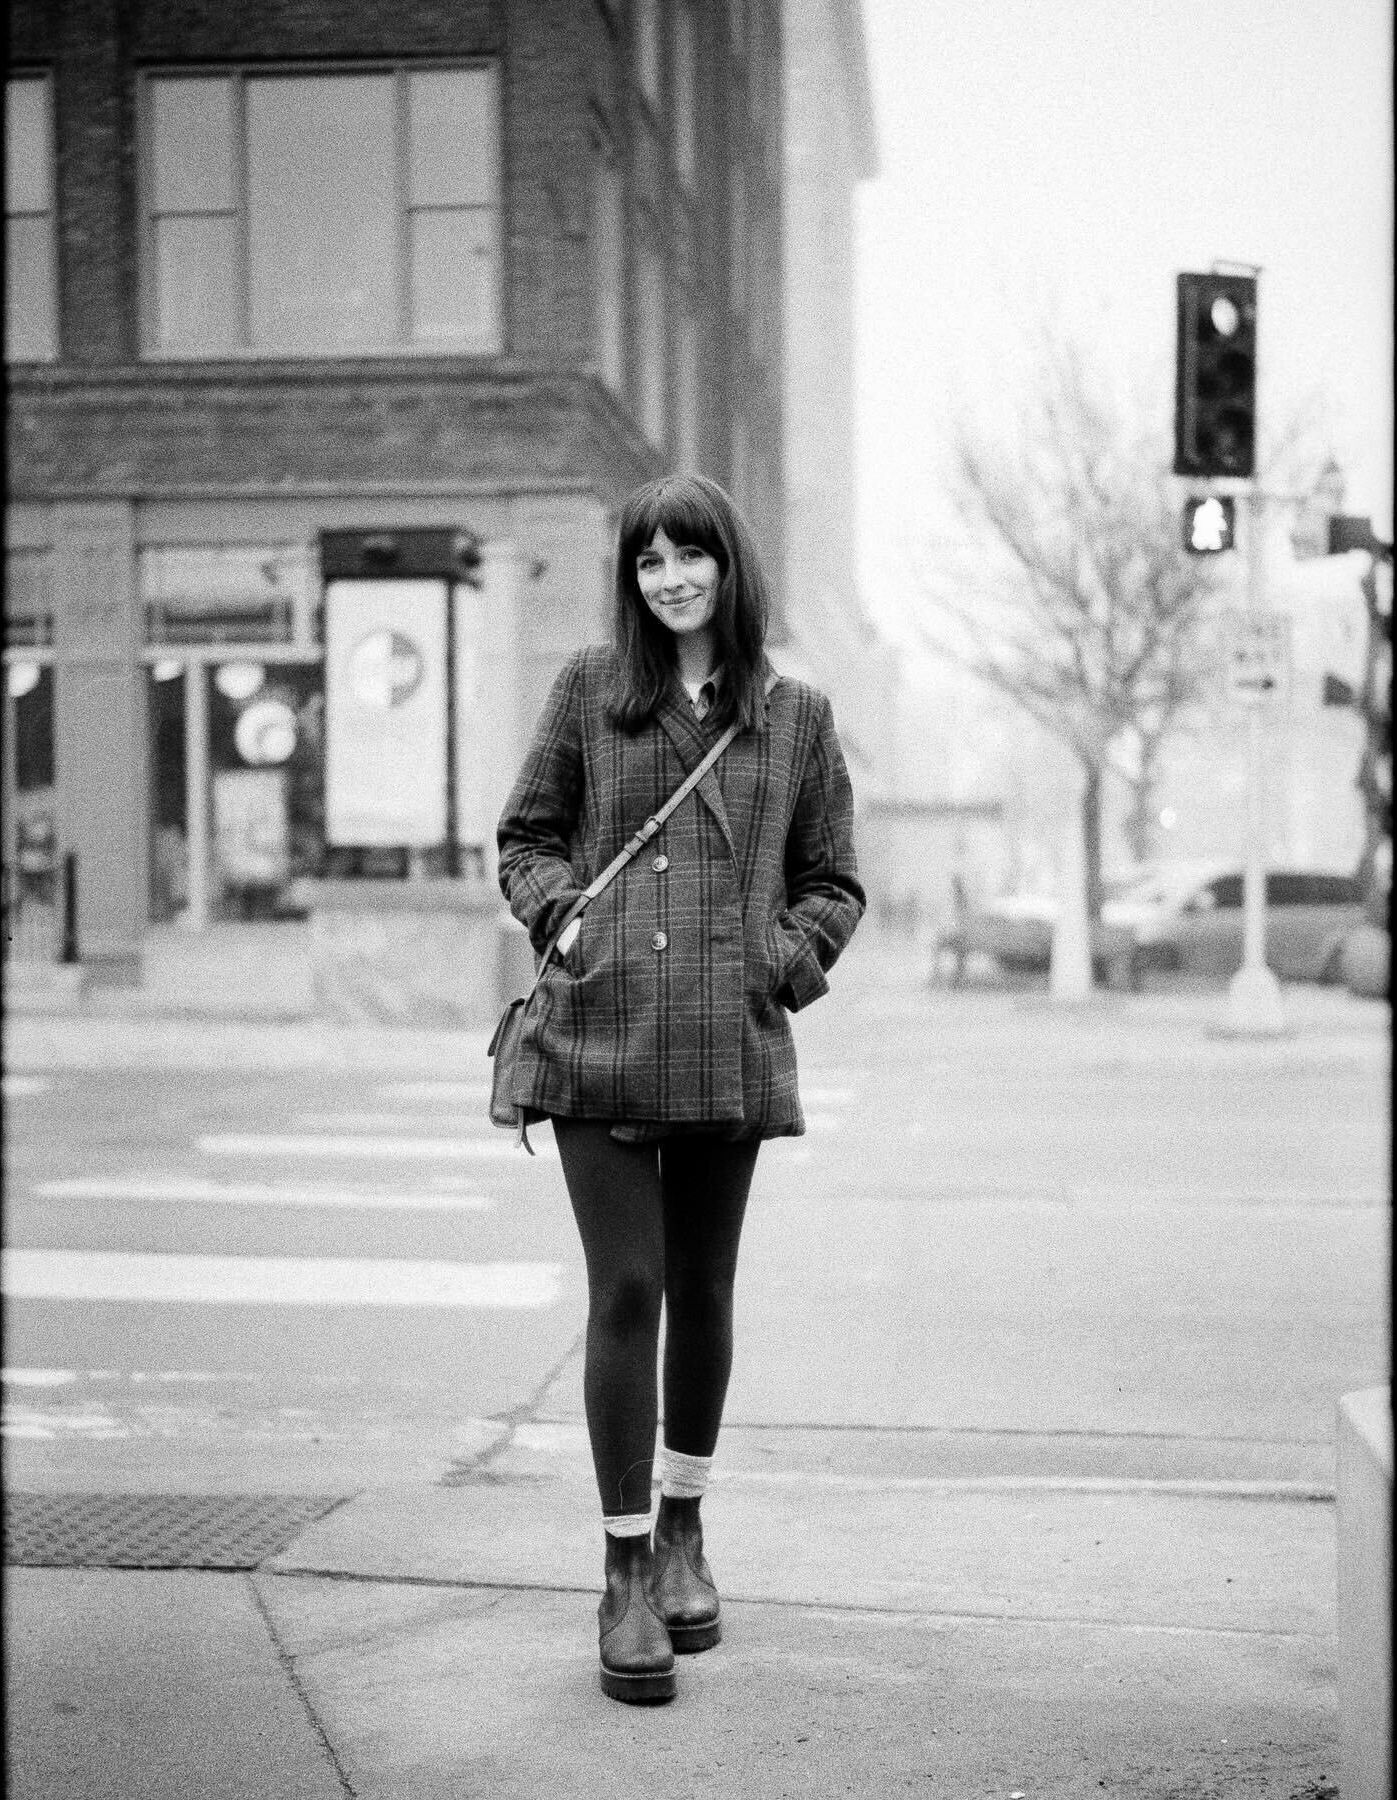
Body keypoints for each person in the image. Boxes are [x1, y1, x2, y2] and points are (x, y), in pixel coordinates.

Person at [496, 472, 865, 1703]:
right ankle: (621, 1566)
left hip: (725, 1036)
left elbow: (833, 880)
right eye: (648, 561)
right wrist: (571, 923)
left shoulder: (795, 718)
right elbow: (526, 839)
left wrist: (783, 961)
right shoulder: (589, 698)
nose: (669, 580)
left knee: (704, 1287)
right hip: (600, 1035)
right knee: (631, 1287)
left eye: (689, 557)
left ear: (727, 567)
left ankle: (689, 1528)